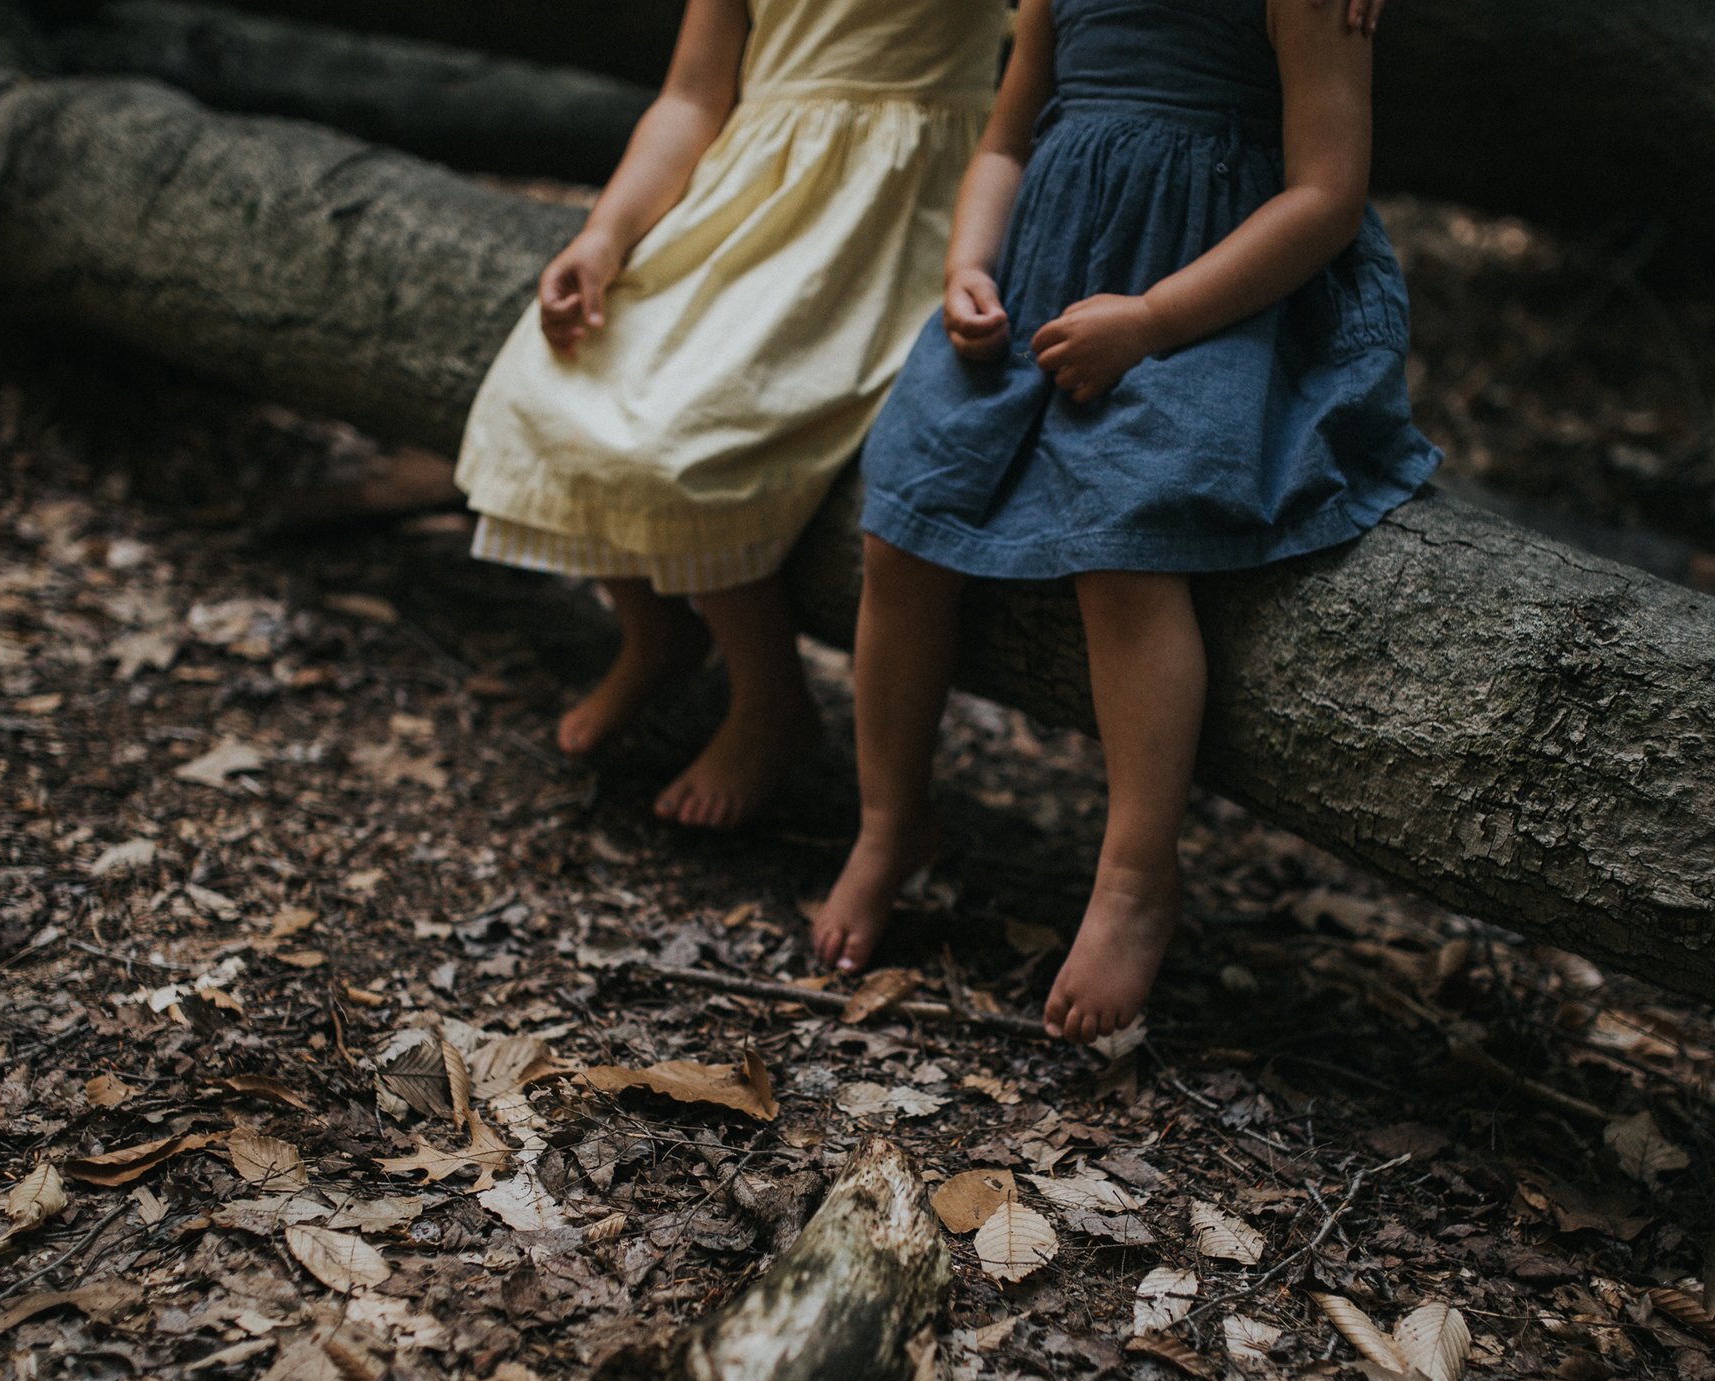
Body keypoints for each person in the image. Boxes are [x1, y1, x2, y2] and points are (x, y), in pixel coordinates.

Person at [456, 0, 1388, 829]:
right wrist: (604, 233)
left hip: (946, 235)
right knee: (559, 389)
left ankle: (779, 699)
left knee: (701, 436)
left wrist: (1131, 315)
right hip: (807, 215)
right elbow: (697, 96)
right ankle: (692, 660)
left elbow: (1320, 183)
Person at [812, 0, 1440, 1043]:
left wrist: (1152, 323)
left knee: (1127, 546)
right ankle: (888, 822)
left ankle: (1135, 877)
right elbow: (1008, 139)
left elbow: (1326, 196)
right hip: (1039, 291)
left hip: (1214, 305)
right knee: (904, 522)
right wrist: (968, 262)